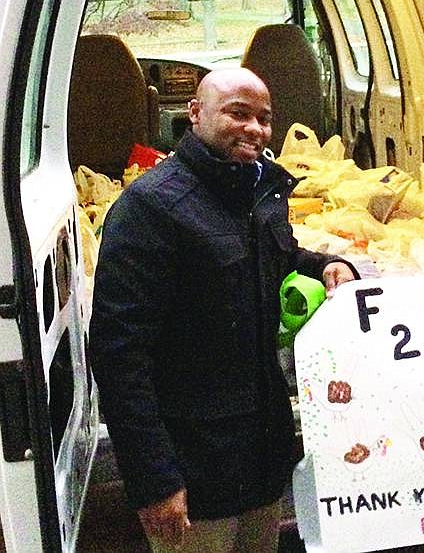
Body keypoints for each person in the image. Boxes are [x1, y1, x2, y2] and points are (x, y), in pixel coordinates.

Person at [90, 68, 358, 552]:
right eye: (238, 112)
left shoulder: (259, 190)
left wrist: (328, 265)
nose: (254, 128)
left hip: (260, 454)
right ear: (195, 113)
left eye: (264, 118)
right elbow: (119, 356)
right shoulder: (149, 208)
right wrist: (154, 480)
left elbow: (279, 254)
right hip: (193, 469)